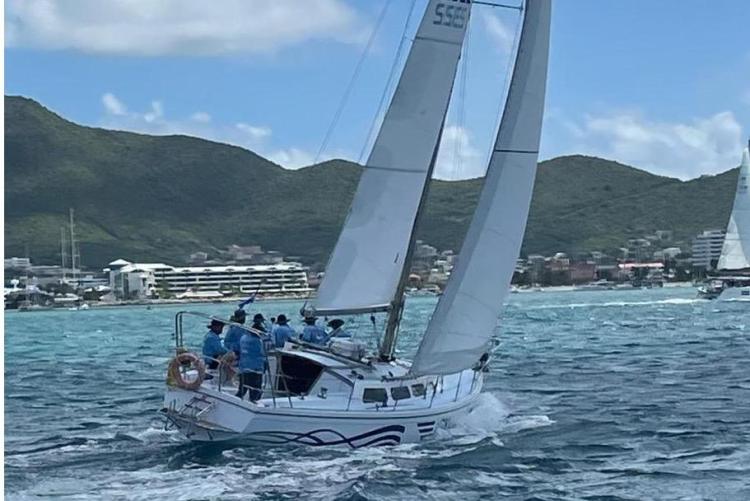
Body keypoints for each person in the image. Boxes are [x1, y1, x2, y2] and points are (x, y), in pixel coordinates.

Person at [236, 329, 266, 402]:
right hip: (255, 369)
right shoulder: (258, 341)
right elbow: (262, 353)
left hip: (243, 367)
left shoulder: (243, 338)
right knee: (256, 392)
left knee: (242, 390)